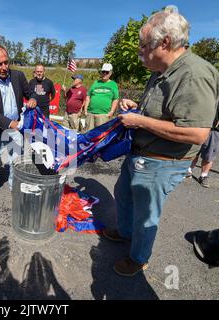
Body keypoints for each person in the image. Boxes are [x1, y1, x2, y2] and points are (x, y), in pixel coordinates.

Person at [102, 7, 219, 276]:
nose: (140, 52)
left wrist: (140, 122)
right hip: (139, 154)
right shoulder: (160, 70)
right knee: (124, 195)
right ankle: (125, 232)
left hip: (162, 163)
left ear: (164, 42)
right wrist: (137, 109)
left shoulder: (194, 74)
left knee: (146, 215)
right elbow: (161, 110)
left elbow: (197, 133)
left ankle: (139, 258)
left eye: (144, 46)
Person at [0, 45, 36, 199]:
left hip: (15, 128)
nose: (4, 67)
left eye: (6, 62)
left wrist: (32, 99)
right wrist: (11, 123)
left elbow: (31, 93)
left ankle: (13, 186)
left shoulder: (18, 76)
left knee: (15, 161)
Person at [83, 63, 119, 130]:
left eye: (107, 72)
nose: (104, 73)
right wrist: (85, 110)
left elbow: (115, 99)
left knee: (100, 137)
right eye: (103, 71)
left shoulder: (113, 84)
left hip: (103, 115)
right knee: (88, 135)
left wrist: (111, 112)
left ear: (111, 73)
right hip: (90, 114)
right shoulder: (96, 82)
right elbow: (88, 96)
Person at [186, 123, 219, 187]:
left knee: (209, 155)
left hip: (215, 130)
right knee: (193, 149)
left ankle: (203, 176)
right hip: (201, 124)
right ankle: (188, 170)